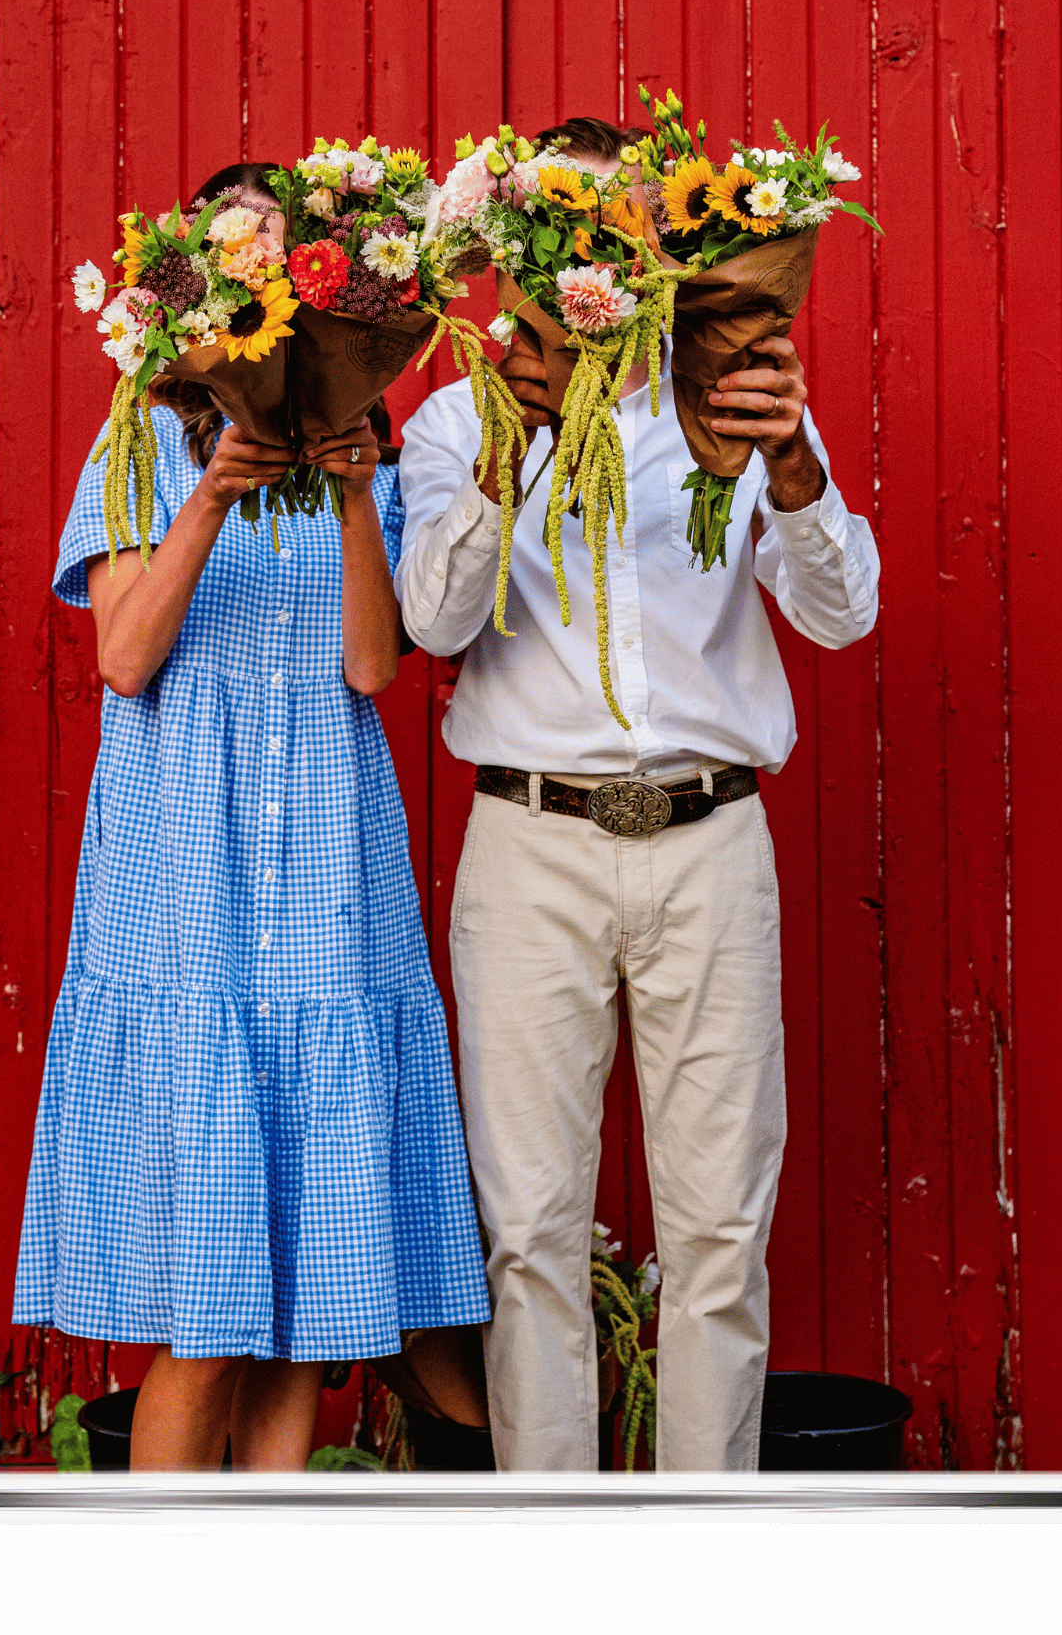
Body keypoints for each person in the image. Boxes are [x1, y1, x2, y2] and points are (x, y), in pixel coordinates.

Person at [396, 116, 881, 1474]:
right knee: (529, 1229)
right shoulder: (458, 418)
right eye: (565, 232)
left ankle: (703, 1544)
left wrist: (795, 471)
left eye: (616, 232)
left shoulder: (725, 398)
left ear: (658, 249)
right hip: (531, 841)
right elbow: (433, 623)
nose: (591, 260)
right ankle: (551, 1539)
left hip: (709, 837)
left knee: (721, 1226)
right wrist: (515, 448)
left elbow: (841, 615)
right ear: (519, 252)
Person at [14, 163, 490, 1471]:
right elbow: (125, 658)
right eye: (236, 257)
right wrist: (213, 492)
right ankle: (163, 1565)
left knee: (300, 1307)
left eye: (279, 257)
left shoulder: (368, 452)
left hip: (327, 871)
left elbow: (372, 667)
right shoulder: (139, 440)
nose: (258, 282)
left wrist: (354, 485)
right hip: (188, 874)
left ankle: (269, 1546)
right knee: (204, 1314)